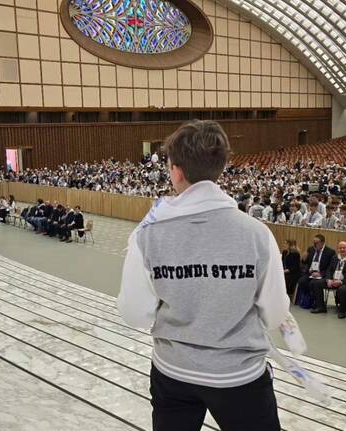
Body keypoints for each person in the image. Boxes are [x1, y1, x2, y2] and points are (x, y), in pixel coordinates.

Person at [118, 120, 288, 431]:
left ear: (176, 171)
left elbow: (135, 315)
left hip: (174, 371)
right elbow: (276, 313)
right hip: (239, 375)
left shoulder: (147, 235)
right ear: (221, 167)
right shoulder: (257, 234)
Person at [310, 241, 346, 318]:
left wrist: (341, 282)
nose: (342, 249)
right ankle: (321, 306)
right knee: (316, 283)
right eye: (340, 248)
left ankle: (342, 310)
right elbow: (329, 270)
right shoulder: (335, 258)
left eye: (344, 248)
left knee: (342, 289)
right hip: (333, 280)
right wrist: (328, 279)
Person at [297, 234, 335, 310]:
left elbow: (330, 268)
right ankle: (310, 299)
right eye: (313, 242)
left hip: (322, 274)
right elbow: (305, 263)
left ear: (322, 242)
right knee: (302, 281)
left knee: (313, 283)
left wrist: (320, 274)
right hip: (311, 273)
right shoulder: (311, 249)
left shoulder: (330, 252)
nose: (314, 244)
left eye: (316, 242)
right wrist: (304, 259)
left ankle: (319, 304)